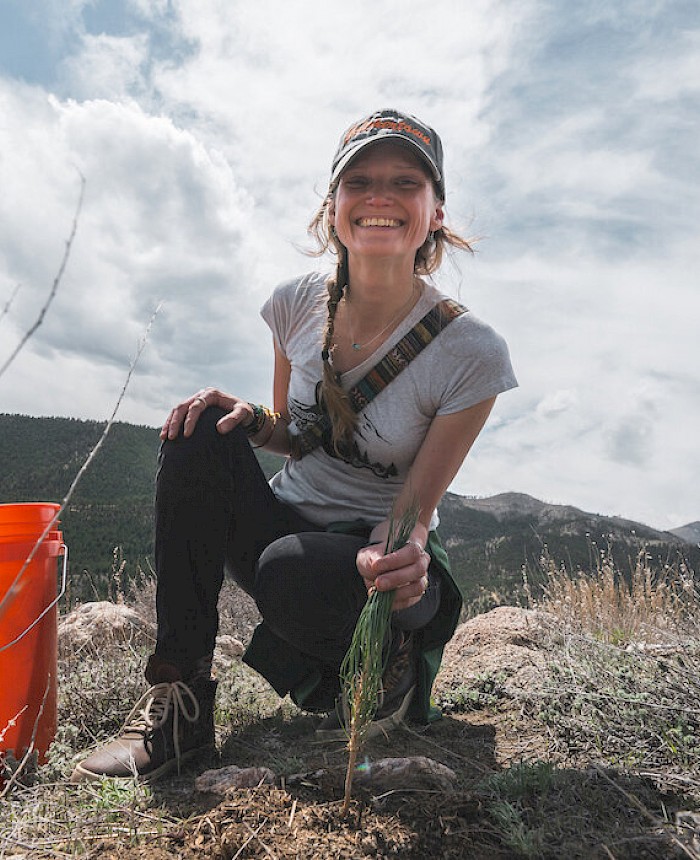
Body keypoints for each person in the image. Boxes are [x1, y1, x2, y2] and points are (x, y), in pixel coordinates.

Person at [70, 108, 517, 782]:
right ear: (332, 206)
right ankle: (180, 705)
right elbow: (297, 438)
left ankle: (385, 667)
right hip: (287, 523)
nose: (379, 198)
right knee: (197, 434)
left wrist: (399, 558)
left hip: (378, 556)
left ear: (435, 212)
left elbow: (415, 509)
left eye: (404, 183)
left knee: (290, 570)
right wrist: (251, 417)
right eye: (358, 181)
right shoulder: (295, 306)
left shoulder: (469, 351)